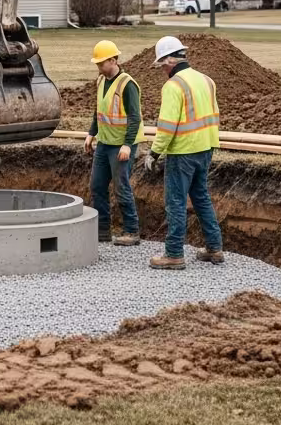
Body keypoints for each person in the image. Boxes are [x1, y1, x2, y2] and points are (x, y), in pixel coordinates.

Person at [144, 35, 224, 270]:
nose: (162, 71)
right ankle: (214, 248)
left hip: (183, 152)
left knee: (176, 202)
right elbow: (214, 114)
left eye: (162, 65)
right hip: (206, 147)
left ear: (169, 61)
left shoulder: (173, 86)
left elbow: (167, 126)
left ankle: (174, 254)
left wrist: (154, 153)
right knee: (201, 197)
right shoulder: (207, 80)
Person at [83, 39, 142, 245]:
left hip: (121, 145)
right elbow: (99, 110)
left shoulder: (127, 84)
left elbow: (134, 117)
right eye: (97, 63)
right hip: (104, 143)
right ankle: (102, 231)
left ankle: (132, 231)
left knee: (121, 187)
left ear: (114, 60)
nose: (98, 67)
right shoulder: (101, 81)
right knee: (97, 186)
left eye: (101, 63)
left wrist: (127, 144)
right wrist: (91, 133)